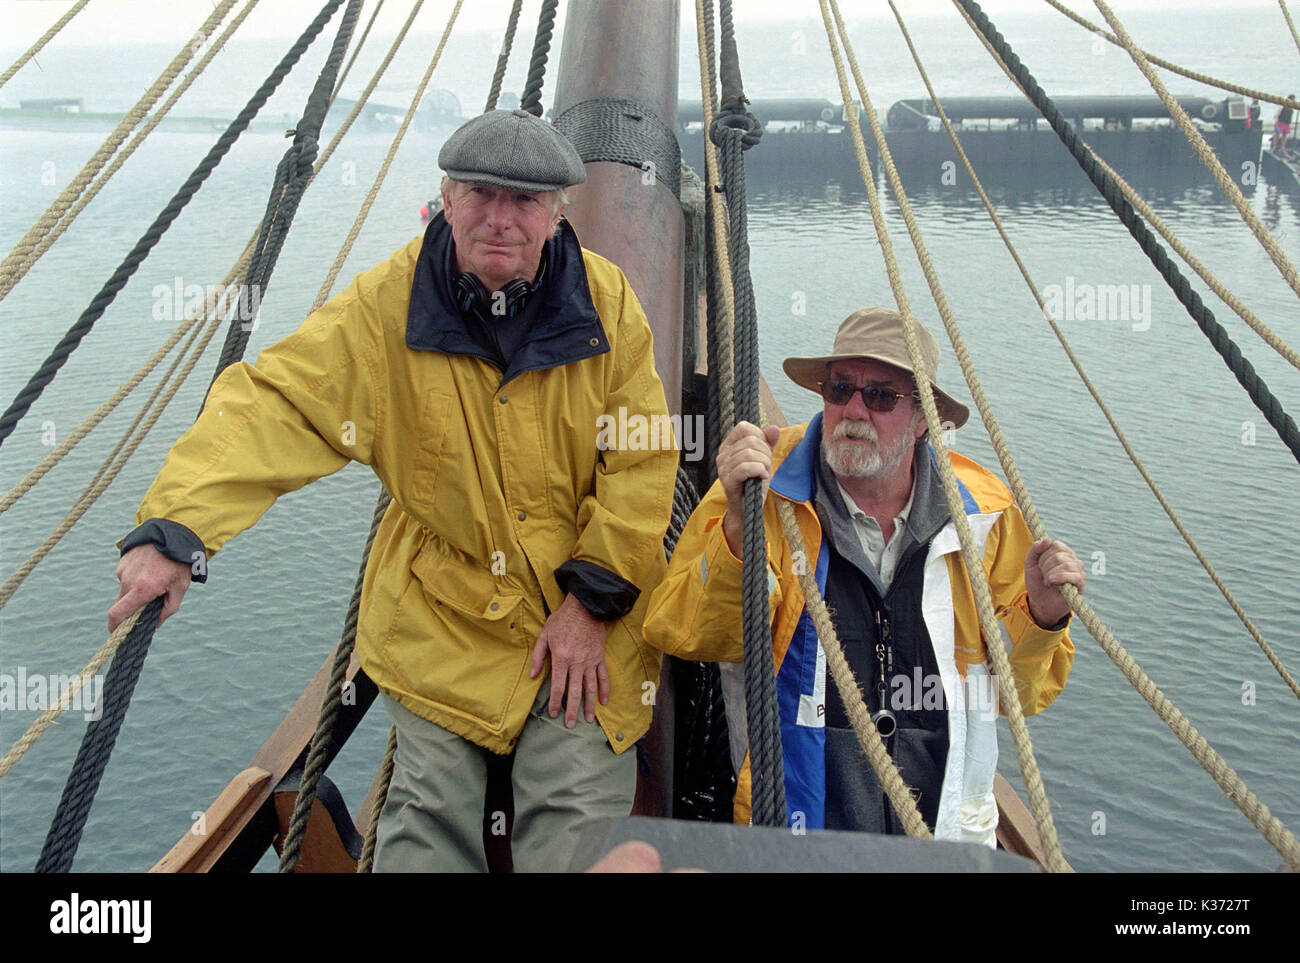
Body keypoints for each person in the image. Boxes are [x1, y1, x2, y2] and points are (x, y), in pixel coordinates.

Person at [109, 109, 678, 871]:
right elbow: (280, 402)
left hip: (579, 611)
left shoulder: (607, 306)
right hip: (441, 614)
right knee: (425, 824)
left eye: (525, 201)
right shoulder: (389, 307)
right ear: (446, 197)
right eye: (480, 193)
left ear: (558, 211)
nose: (499, 219)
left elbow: (641, 461)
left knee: (576, 814)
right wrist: (178, 528)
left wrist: (591, 604)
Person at [643, 307, 1082, 845]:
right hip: (802, 832)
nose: (853, 409)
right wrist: (736, 529)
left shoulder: (984, 517)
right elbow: (684, 631)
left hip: (944, 840)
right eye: (839, 388)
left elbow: (1019, 695)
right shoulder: (763, 492)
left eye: (880, 396)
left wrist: (1041, 617)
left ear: (925, 419)